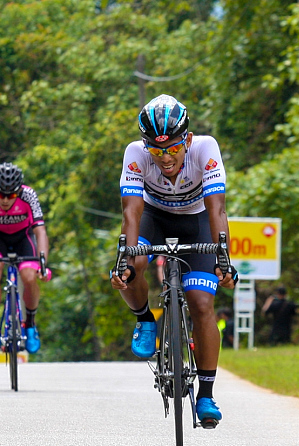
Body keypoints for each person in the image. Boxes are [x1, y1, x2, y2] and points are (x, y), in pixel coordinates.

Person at [110, 94, 238, 428]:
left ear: (188, 140)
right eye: (156, 149)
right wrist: (126, 257)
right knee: (131, 266)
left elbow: (217, 209)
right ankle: (145, 319)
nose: (165, 158)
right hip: (154, 218)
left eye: (173, 148)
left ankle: (206, 394)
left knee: (201, 303)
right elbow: (131, 211)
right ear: (145, 145)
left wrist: (224, 257)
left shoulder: (205, 149)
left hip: (196, 221)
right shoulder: (136, 155)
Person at [0, 162, 50, 354]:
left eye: (11, 195)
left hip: (23, 238)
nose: (6, 200)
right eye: (1, 195)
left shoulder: (28, 195)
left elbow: (40, 231)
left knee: (30, 277)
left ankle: (30, 326)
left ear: (18, 191)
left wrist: (43, 264)